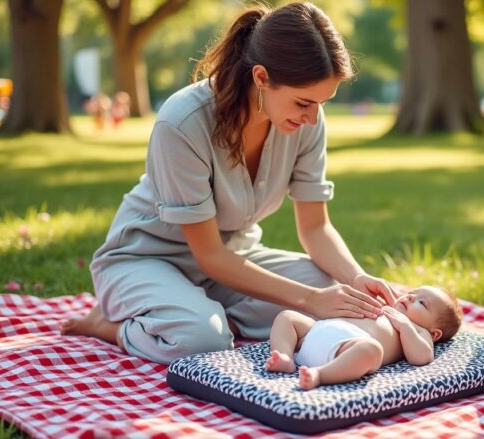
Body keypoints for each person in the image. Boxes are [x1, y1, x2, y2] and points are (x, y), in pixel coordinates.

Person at [61, 3, 398, 364]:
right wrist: (308, 300)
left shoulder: (304, 122)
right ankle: (113, 326)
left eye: (322, 103)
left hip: (233, 261)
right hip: (148, 260)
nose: (313, 118)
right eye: (304, 102)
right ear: (261, 77)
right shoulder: (182, 122)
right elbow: (209, 255)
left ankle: (209, 317)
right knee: (201, 340)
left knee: (339, 293)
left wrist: (356, 277)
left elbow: (316, 228)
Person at [264, 286, 463, 390]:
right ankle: (285, 357)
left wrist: (405, 326)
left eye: (421, 302)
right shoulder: (387, 307)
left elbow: (421, 357)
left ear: (435, 333)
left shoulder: (420, 331)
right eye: (412, 293)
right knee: (287, 317)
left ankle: (320, 375)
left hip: (347, 349)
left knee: (371, 350)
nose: (410, 297)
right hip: (316, 332)